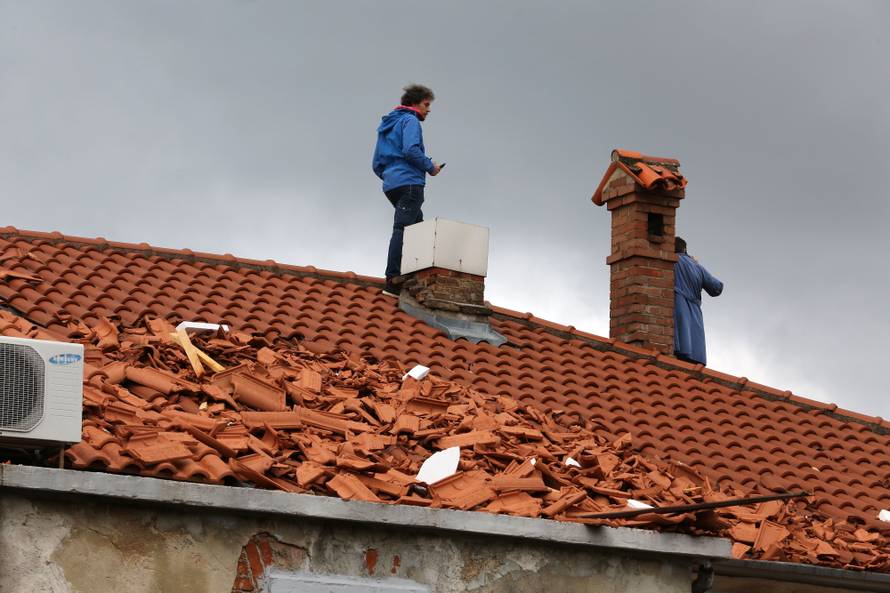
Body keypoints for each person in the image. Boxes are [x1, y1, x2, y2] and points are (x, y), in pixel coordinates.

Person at [372, 84, 443, 296]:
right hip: (410, 183)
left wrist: (390, 176)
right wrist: (430, 167)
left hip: (391, 185)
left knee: (417, 228)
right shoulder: (409, 120)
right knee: (403, 228)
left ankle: (414, 274)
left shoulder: (387, 124)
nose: (428, 110)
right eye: (426, 105)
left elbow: (376, 163)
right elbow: (411, 150)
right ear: (414, 103)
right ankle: (393, 280)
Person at [674, 236, 723, 365]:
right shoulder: (696, 266)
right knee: (695, 357)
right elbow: (717, 288)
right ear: (684, 249)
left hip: (679, 307)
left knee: (679, 349)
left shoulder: (671, 261)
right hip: (694, 313)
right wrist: (695, 264)